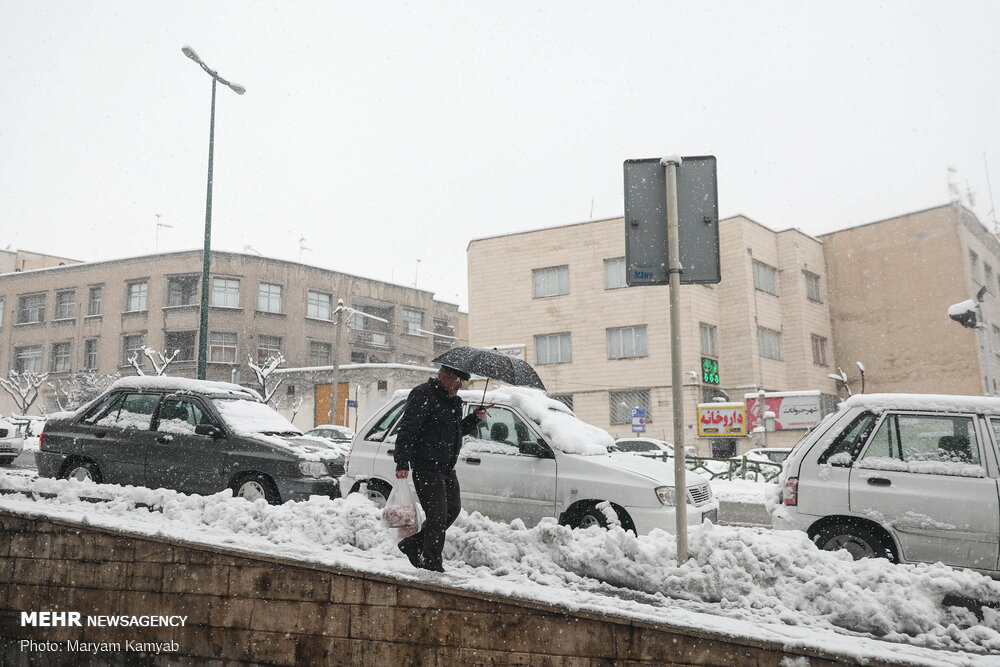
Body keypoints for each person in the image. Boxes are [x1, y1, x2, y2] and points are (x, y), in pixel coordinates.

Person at [393, 365, 489, 572]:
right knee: (437, 516)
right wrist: (402, 462)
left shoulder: (453, 401)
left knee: (451, 511)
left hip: (446, 467)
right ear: (445, 376)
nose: (460, 387)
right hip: (426, 465)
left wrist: (474, 418)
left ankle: (413, 544)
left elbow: (456, 432)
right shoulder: (422, 394)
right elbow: (407, 429)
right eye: (458, 382)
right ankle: (432, 563)